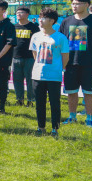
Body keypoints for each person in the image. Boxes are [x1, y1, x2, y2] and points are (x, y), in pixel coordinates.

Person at [60, 0, 92, 128]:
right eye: (73, 3)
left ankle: (90, 119)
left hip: (89, 64)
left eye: (77, 4)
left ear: (86, 5)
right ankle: (72, 116)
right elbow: (62, 43)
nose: (74, 6)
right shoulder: (66, 21)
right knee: (71, 92)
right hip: (70, 63)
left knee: (89, 93)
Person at [30, 8, 69, 137]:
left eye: (43, 18)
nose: (40, 20)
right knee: (39, 103)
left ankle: (55, 128)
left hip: (54, 76)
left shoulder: (60, 37)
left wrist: (59, 69)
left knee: (55, 103)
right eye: (40, 17)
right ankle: (41, 127)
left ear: (52, 21)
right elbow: (35, 54)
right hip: (37, 75)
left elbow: (65, 56)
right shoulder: (35, 36)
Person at [12, 7, 40, 107]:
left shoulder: (34, 27)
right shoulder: (14, 27)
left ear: (27, 14)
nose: (18, 14)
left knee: (30, 80)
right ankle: (19, 100)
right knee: (17, 80)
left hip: (30, 57)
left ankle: (30, 100)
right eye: (17, 12)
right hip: (16, 57)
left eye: (21, 12)